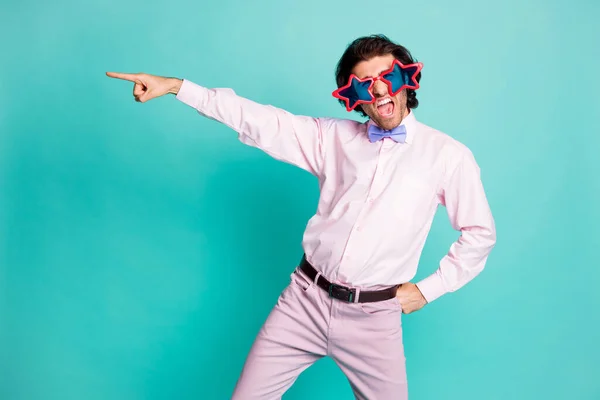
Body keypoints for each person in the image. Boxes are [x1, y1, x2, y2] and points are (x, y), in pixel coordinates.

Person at [106, 34, 496, 399]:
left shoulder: (448, 156)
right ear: (353, 98)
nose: (379, 90)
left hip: (374, 319)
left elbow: (479, 234)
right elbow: (259, 121)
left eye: (388, 77)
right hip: (303, 301)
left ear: (408, 79)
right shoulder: (333, 138)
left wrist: (429, 289)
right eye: (365, 84)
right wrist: (177, 86)